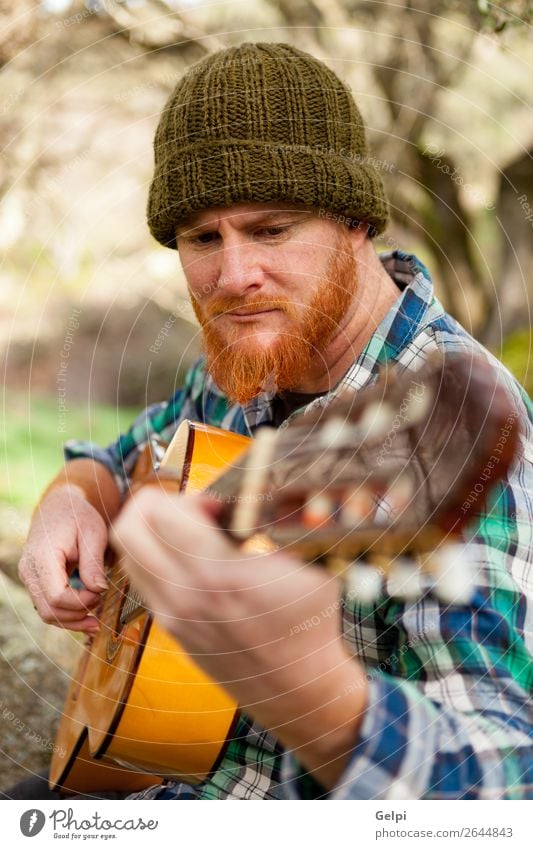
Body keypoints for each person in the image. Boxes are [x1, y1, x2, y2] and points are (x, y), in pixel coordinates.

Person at [16, 42, 533, 800]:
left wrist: (316, 693)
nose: (233, 278)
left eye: (270, 229)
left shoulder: (455, 430)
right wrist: (73, 494)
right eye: (202, 238)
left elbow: (505, 783)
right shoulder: (244, 365)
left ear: (355, 219)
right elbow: (119, 452)